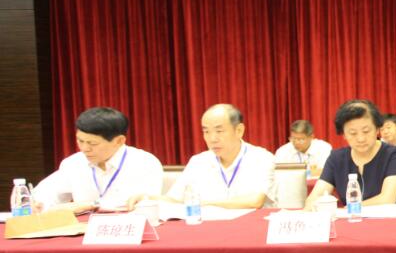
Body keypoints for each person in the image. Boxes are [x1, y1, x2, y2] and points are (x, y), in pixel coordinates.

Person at [139, 104, 276, 209]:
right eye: (206, 132)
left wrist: (204, 204)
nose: (212, 139)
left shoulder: (261, 158)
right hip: (207, 230)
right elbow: (175, 199)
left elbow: (254, 201)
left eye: (219, 131)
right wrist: (146, 198)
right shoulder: (198, 161)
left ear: (239, 130)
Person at [33, 106, 163, 213]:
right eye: (80, 141)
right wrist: (39, 204)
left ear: (119, 141)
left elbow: (144, 203)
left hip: (129, 229)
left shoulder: (145, 162)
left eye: (93, 143)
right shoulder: (73, 163)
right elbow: (44, 195)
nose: (84, 148)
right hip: (83, 231)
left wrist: (90, 205)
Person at [305, 99, 396, 208]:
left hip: (390, 218)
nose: (361, 139)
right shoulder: (337, 158)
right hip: (349, 218)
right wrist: (311, 206)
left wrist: (348, 210)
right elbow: (316, 196)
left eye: (366, 131)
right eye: (353, 133)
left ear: (377, 129)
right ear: (344, 134)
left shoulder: (393, 154)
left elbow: (387, 199)